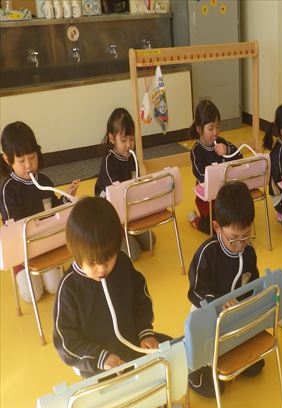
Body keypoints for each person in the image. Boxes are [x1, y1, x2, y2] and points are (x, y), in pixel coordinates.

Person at [52, 197, 170, 379]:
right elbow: (65, 343)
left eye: (108, 259)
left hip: (134, 345)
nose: (102, 269)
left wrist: (145, 332)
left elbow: (140, 298)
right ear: (76, 253)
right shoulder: (69, 289)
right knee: (122, 392)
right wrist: (100, 358)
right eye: (93, 262)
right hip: (99, 363)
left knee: (174, 352)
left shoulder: (122, 262)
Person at [187, 181, 264, 398]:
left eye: (246, 235)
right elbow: (195, 291)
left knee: (256, 367)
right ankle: (194, 370)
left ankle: (228, 352)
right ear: (217, 227)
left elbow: (253, 283)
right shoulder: (207, 253)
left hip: (234, 320)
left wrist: (251, 302)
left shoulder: (248, 252)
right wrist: (218, 302)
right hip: (207, 319)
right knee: (212, 388)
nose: (241, 244)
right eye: (234, 239)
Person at [1, 121, 79, 302]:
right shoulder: (8, 190)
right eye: (21, 161)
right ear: (7, 159)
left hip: (46, 245)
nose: (29, 165)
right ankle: (19, 271)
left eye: (32, 157)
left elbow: (55, 210)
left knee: (55, 287)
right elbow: (13, 229)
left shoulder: (44, 180)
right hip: (24, 253)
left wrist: (67, 197)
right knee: (32, 296)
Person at [93, 107, 154, 260]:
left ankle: (127, 231)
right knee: (133, 253)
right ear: (112, 138)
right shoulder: (109, 162)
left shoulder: (132, 158)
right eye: (124, 140)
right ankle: (111, 236)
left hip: (127, 208)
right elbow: (115, 196)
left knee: (151, 241)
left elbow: (136, 185)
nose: (129, 145)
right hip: (110, 213)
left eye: (131, 139)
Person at [188, 100, 241, 233]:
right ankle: (197, 221)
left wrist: (227, 150)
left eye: (218, 127)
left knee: (238, 219)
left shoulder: (222, 142)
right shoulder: (196, 151)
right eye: (211, 129)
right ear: (199, 129)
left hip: (225, 195)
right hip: (207, 199)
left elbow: (239, 156)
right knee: (214, 228)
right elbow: (201, 176)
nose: (215, 132)